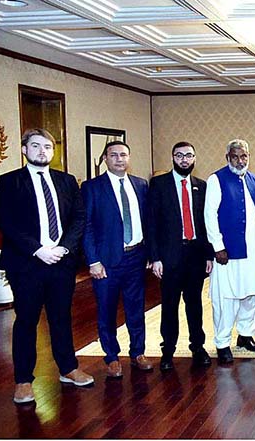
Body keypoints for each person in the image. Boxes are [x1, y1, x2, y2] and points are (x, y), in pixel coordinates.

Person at [0, 128, 94, 404]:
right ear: (24, 149)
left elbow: (79, 217)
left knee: (61, 318)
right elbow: (6, 222)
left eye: (48, 147)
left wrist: (64, 248)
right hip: (27, 264)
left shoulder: (66, 181)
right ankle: (24, 380)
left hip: (61, 262)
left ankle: (68, 368)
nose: (42, 151)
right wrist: (38, 250)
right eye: (36, 146)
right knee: (26, 321)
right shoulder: (9, 182)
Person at [82, 140, 151, 377]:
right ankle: (111, 357)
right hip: (107, 261)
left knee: (136, 308)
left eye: (123, 155)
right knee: (107, 310)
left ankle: (138, 353)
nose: (119, 159)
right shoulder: (92, 187)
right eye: (114, 155)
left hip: (136, 257)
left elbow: (148, 222)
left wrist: (151, 254)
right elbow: (87, 226)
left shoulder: (141, 185)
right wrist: (93, 261)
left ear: (129, 158)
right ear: (105, 158)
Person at [147, 141, 214, 371]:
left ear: (195, 158)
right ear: (172, 157)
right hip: (169, 257)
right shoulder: (158, 184)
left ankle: (198, 346)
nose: (184, 160)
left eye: (189, 155)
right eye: (179, 156)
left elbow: (205, 224)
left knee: (195, 304)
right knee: (169, 306)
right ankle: (168, 351)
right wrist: (154, 257)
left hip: (195, 255)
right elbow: (152, 223)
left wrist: (208, 255)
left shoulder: (201, 186)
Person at [204, 139, 255, 363]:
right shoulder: (216, 179)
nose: (240, 161)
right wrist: (218, 246)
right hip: (227, 251)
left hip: (252, 251)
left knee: (250, 294)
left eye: (244, 156)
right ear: (228, 157)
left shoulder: (254, 180)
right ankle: (222, 342)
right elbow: (209, 215)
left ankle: (246, 335)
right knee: (226, 297)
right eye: (235, 157)